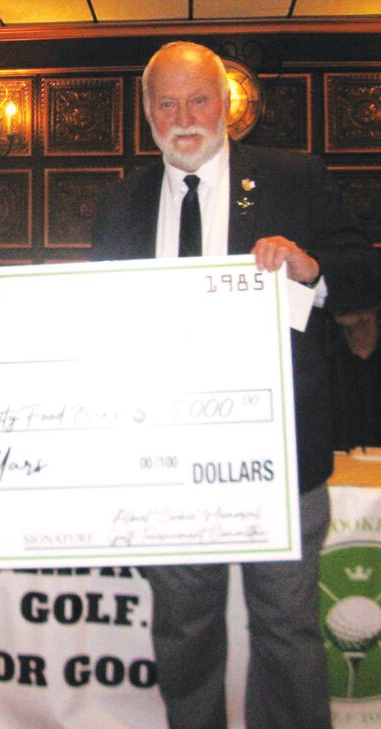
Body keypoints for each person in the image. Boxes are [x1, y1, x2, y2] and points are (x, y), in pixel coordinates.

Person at [91, 42, 381, 729]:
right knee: (184, 635)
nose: (184, 116)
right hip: (167, 464)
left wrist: (312, 270)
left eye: (199, 99)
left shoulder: (293, 177)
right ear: (146, 112)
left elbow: (364, 272)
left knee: (286, 633)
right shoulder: (120, 203)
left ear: (227, 106)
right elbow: (98, 321)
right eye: (167, 102)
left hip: (278, 460)